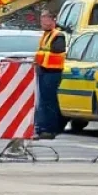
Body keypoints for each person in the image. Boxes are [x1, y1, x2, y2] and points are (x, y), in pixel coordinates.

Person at [34, 9, 67, 139]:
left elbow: (56, 51)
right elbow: (42, 52)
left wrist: (40, 60)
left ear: (52, 20)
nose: (42, 21)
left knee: (48, 102)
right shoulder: (46, 35)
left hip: (52, 72)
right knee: (44, 101)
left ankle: (49, 129)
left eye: (45, 18)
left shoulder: (58, 35)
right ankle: (42, 128)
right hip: (43, 71)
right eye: (41, 18)